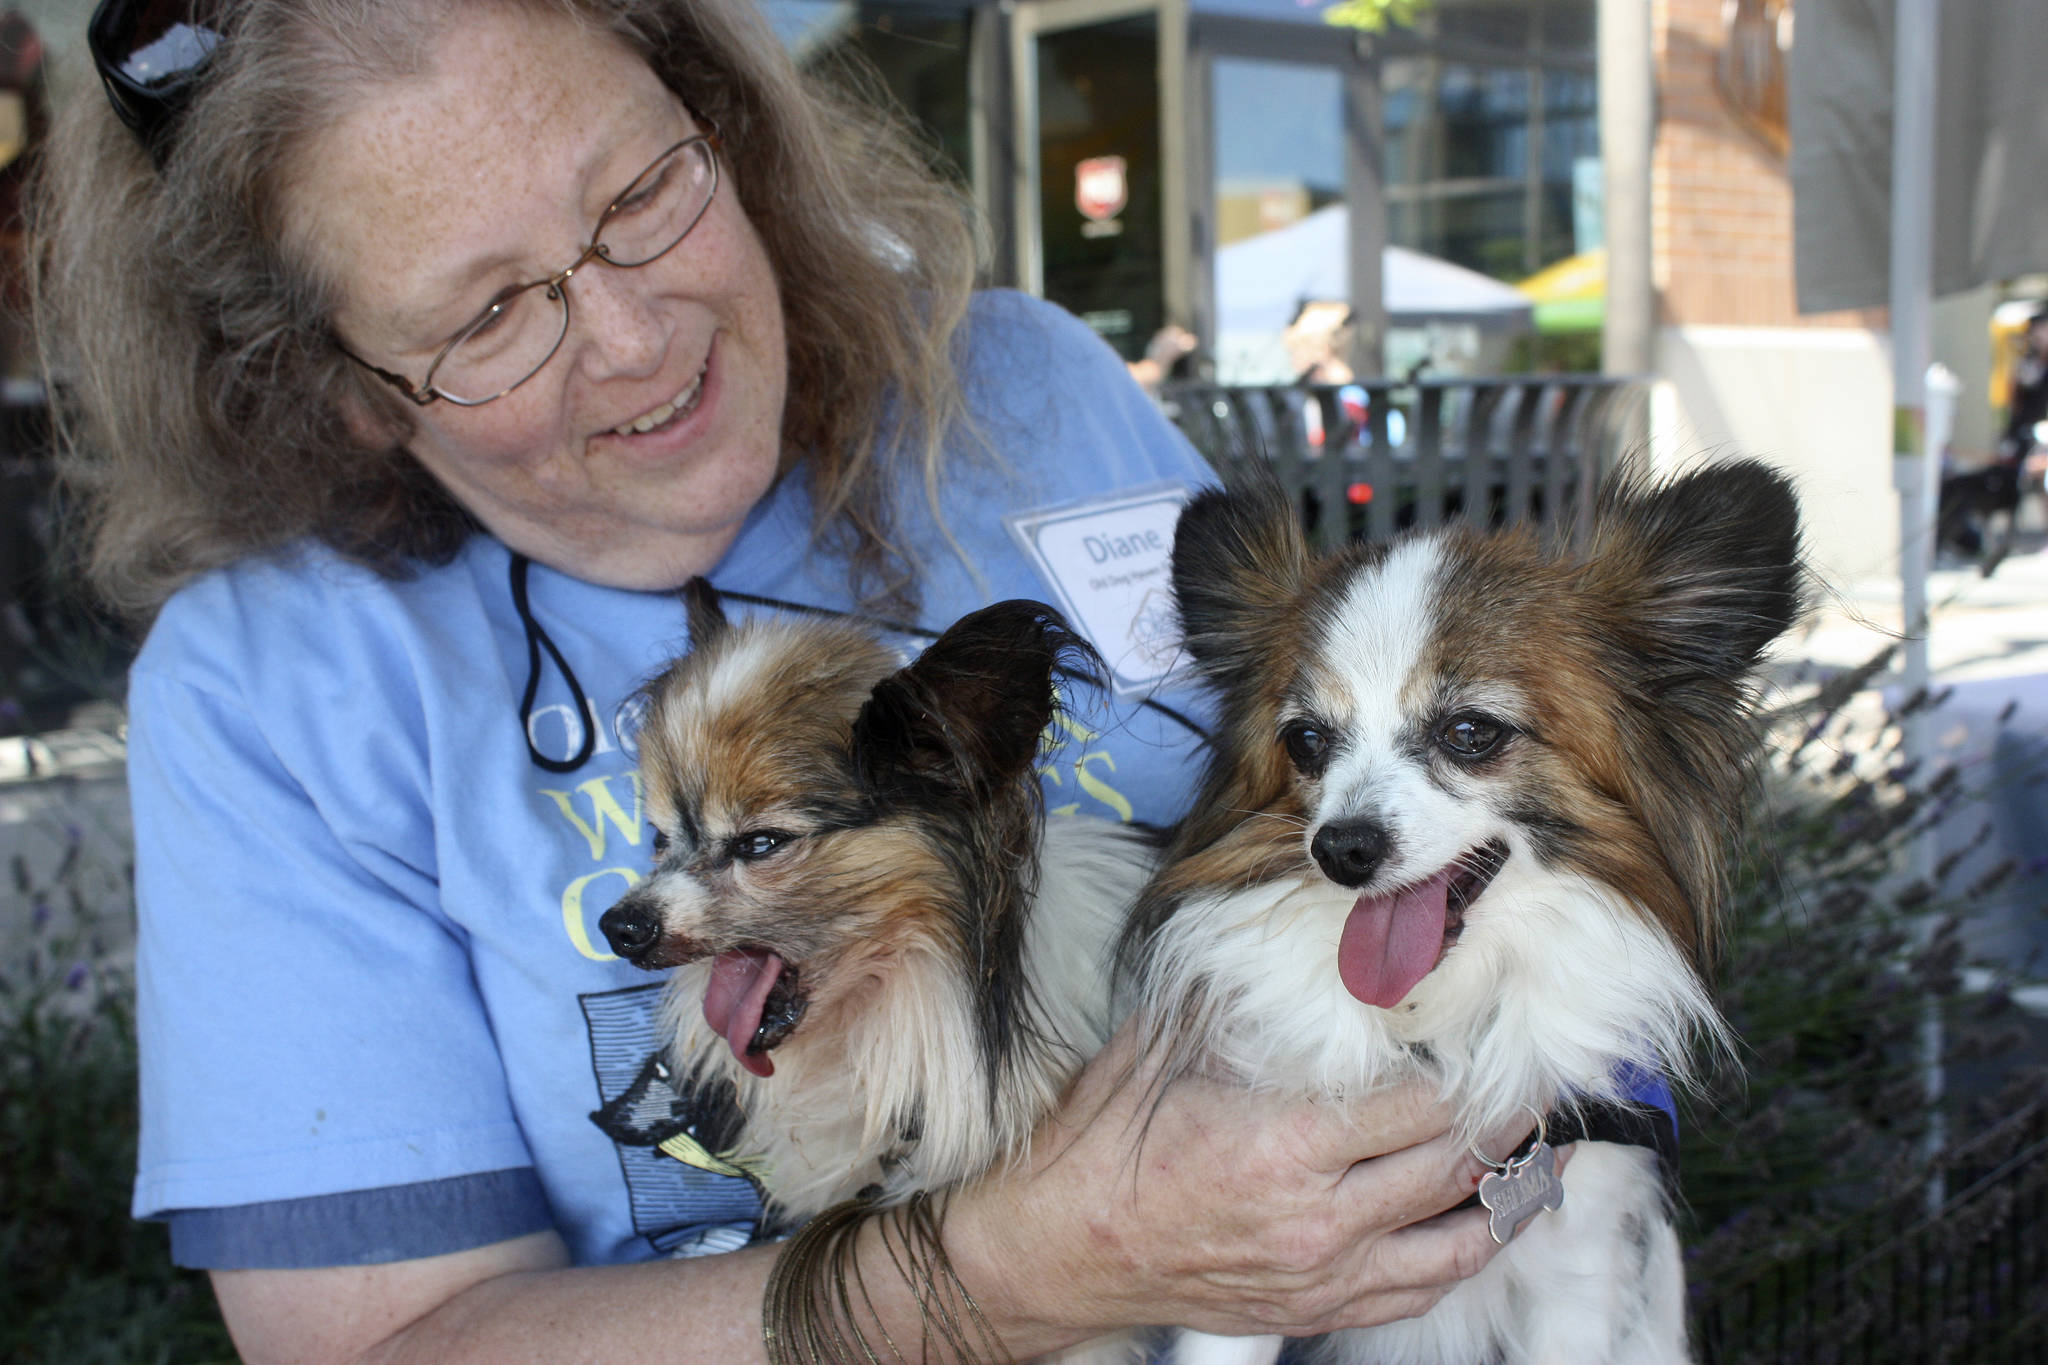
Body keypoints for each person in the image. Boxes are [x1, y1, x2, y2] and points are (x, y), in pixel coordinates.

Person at [33, 1, 1537, 1361]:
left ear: (729, 126)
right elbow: (379, 1346)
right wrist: (1026, 1265)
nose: (634, 337)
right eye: (487, 315)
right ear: (343, 391)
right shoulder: (278, 690)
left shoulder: (1024, 387)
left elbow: (1395, 826)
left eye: (637, 194)